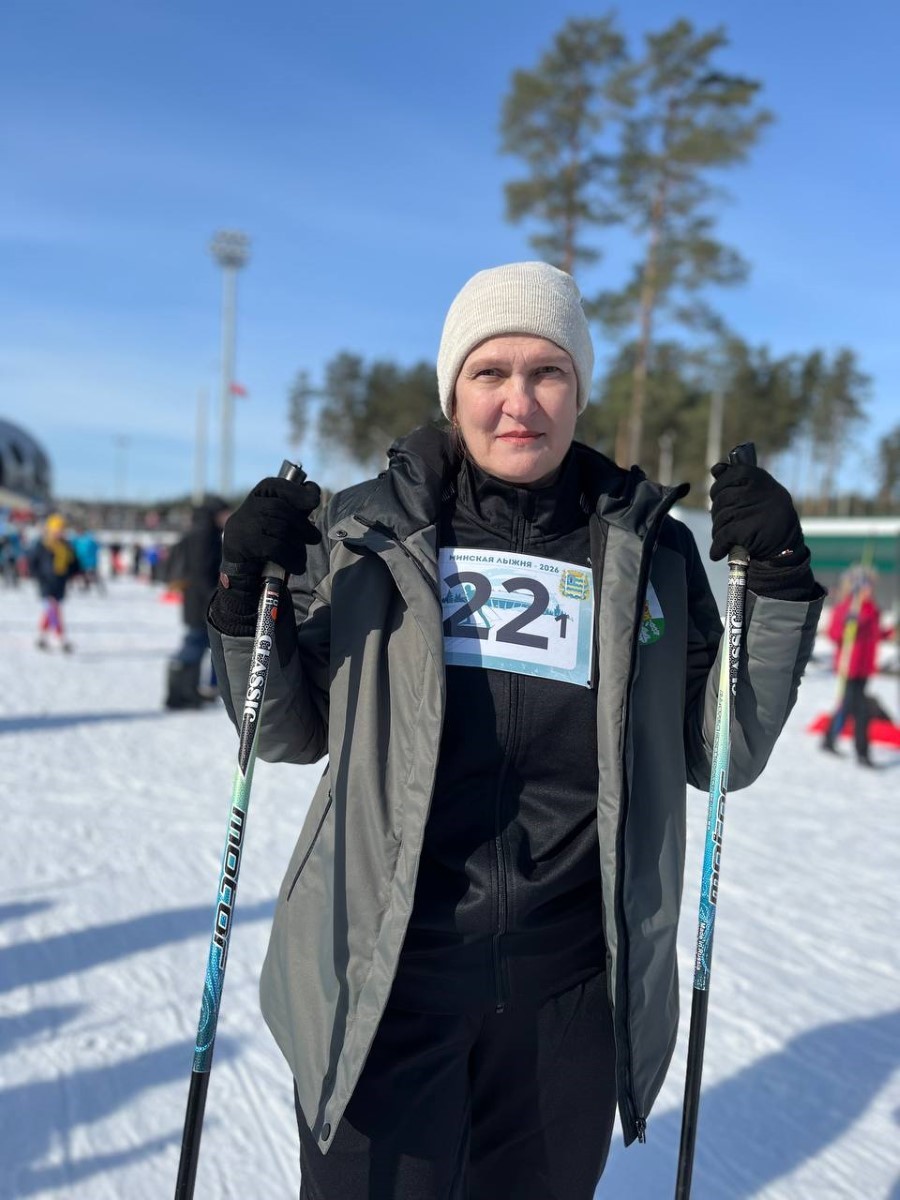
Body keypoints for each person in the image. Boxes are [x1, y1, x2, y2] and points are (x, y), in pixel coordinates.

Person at [208, 262, 825, 1199]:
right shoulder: (369, 533)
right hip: (387, 980)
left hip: (568, 994)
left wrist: (776, 583)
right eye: (489, 372)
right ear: (453, 391)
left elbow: (720, 751)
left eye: (548, 373)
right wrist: (241, 596)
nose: (519, 402)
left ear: (580, 388)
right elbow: (286, 733)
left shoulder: (649, 547)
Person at [164, 495, 231, 709]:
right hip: (201, 603)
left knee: (197, 645)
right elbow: (202, 573)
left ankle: (187, 692)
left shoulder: (201, 531)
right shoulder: (205, 534)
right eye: (224, 513)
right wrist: (214, 602)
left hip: (196, 601)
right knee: (193, 646)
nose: (227, 518)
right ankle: (180, 695)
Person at [821, 565, 893, 766]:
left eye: (871, 586)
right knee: (861, 710)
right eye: (866, 586)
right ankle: (863, 752)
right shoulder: (847, 608)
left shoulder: (872, 609)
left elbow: (874, 634)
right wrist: (849, 624)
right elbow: (834, 634)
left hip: (864, 667)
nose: (869, 590)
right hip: (849, 667)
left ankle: (828, 739)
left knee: (847, 705)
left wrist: (889, 633)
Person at [28, 512, 81, 651]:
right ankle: (60, 638)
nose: (59, 532)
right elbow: (33, 562)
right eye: (57, 529)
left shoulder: (66, 546)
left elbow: (74, 563)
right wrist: (37, 576)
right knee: (53, 610)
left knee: (50, 611)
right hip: (46, 582)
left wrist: (73, 573)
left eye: (62, 529)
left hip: (60, 582)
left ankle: (42, 637)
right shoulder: (42, 545)